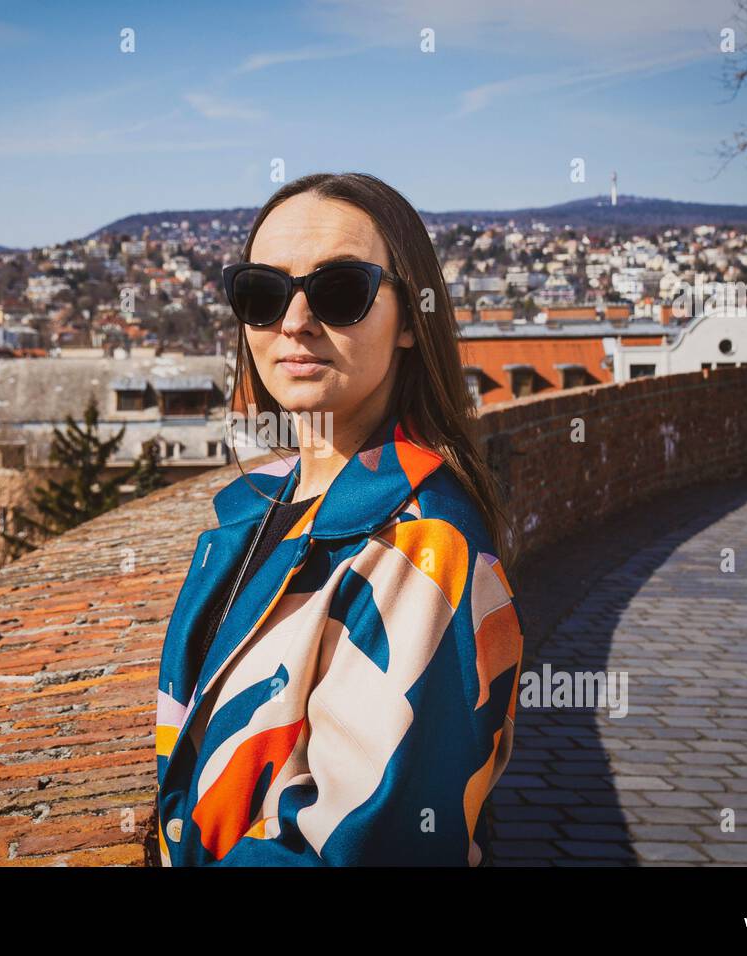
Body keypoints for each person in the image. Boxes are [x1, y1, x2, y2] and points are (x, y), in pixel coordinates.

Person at [154, 171, 524, 866]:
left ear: (412, 319)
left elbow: (359, 848)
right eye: (262, 294)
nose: (293, 323)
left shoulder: (421, 547)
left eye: (339, 291)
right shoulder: (261, 510)